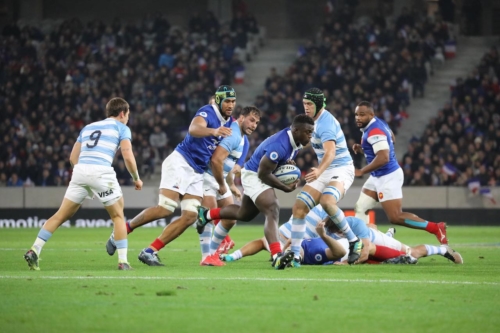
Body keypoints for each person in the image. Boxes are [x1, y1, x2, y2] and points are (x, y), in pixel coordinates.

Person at [106, 86, 235, 266]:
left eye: (233, 101)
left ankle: (150, 251)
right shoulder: (208, 112)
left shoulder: (231, 123)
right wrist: (213, 131)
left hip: (197, 172)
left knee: (190, 216)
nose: (230, 105)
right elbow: (194, 128)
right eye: (227, 101)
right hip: (181, 162)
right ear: (219, 100)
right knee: (165, 208)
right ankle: (122, 231)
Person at [24, 97, 143, 271]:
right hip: (101, 171)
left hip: (80, 172)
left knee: (60, 216)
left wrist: (85, 178)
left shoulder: (88, 127)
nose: (128, 118)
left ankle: (34, 249)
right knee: (118, 216)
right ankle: (123, 262)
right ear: (122, 113)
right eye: (128, 115)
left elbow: (73, 158)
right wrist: (136, 178)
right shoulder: (122, 128)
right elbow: (127, 155)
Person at [197, 114, 315, 269]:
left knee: (243, 215)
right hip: (254, 175)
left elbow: (275, 165)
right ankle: (277, 256)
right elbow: (263, 174)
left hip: (260, 173)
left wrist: (286, 163)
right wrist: (285, 187)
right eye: (308, 132)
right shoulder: (280, 145)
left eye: (311, 132)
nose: (310, 135)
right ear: (297, 130)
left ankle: (206, 215)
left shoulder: (296, 141)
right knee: (272, 208)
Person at [352, 101, 448, 244]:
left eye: (362, 114)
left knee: (395, 217)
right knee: (361, 207)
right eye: (356, 114)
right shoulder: (378, 123)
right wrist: (365, 148)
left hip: (387, 176)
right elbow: (392, 138)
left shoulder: (374, 131)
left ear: (371, 115)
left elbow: (384, 157)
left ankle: (435, 228)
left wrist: (361, 171)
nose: (358, 118)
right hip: (377, 176)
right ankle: (365, 244)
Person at [288, 87, 361, 268]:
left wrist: (319, 171)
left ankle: (353, 241)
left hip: (342, 168)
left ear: (318, 104)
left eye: (309, 104)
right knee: (299, 207)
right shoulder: (310, 121)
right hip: (325, 169)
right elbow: (306, 142)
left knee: (327, 201)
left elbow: (330, 152)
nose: (306, 107)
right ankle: (296, 256)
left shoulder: (326, 122)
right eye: (304, 103)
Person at [199, 106, 259, 266]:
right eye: (251, 120)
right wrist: (221, 184)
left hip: (221, 179)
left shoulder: (241, 137)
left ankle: (212, 254)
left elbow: (227, 163)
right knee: (207, 216)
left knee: (231, 218)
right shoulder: (233, 135)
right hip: (208, 177)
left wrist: (230, 184)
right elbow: (216, 160)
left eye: (257, 123)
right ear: (241, 118)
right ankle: (206, 257)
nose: (254, 125)